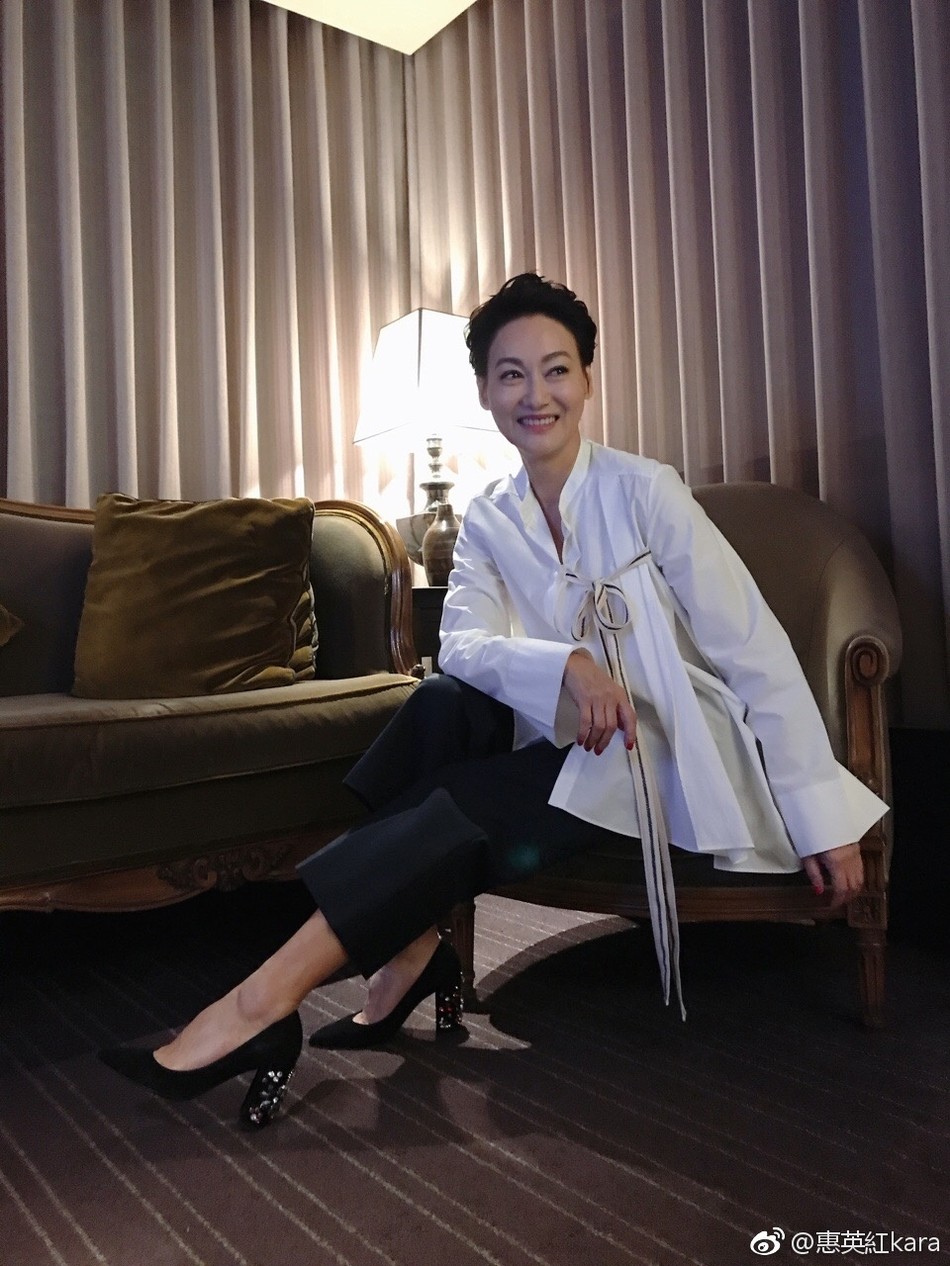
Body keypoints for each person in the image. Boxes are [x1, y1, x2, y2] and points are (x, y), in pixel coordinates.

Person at [100, 274, 887, 1129]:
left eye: (556, 370)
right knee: (439, 704)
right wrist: (567, 665)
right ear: (484, 392)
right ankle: (409, 946)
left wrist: (822, 816)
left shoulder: (646, 491)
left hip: (658, 745)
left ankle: (260, 1003)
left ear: (587, 379)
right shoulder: (488, 517)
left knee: (461, 796)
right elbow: (464, 644)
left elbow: (752, 647)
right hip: (563, 731)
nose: (535, 395)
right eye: (511, 375)